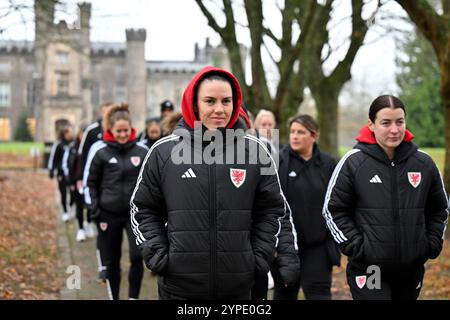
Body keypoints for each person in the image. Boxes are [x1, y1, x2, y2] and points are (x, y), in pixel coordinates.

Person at [130, 66, 297, 300]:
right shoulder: (163, 151)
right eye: (210, 101)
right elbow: (143, 208)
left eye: (226, 101)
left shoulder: (256, 152)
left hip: (238, 287)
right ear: (194, 104)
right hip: (179, 288)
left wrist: (257, 257)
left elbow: (272, 209)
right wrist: (158, 255)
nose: (220, 109)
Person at [323, 95, 449, 300]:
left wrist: (430, 243)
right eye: (386, 123)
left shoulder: (423, 163)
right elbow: (333, 209)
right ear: (371, 125)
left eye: (400, 122)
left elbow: (439, 209)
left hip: (411, 268)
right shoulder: (353, 162)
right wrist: (357, 247)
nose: (394, 129)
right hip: (370, 268)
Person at [84, 103, 148, 300]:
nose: (122, 135)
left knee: (137, 257)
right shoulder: (100, 150)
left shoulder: (142, 151)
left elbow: (150, 184)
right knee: (112, 262)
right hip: (107, 213)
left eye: (126, 130)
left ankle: (133, 297)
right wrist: (93, 206)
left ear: (131, 129)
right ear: (110, 129)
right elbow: (90, 182)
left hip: (133, 215)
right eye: (118, 131)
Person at [271, 114, 339, 300]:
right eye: (292, 131)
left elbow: (336, 202)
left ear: (314, 136)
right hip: (286, 246)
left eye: (301, 132)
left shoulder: (327, 163)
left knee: (319, 294)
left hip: (317, 245)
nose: (294, 136)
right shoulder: (279, 161)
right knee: (284, 293)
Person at [78, 101, 113, 280]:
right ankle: (103, 265)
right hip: (95, 183)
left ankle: (111, 263)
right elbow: (83, 155)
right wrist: (80, 179)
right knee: (100, 223)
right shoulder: (92, 131)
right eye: (105, 112)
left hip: (111, 186)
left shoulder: (118, 130)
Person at [63, 126, 95, 242]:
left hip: (90, 181)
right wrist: (70, 181)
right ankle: (80, 229)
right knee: (79, 205)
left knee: (91, 204)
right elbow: (67, 164)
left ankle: (90, 223)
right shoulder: (73, 148)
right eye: (82, 134)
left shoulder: (93, 148)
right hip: (78, 182)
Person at [48, 124, 74, 222]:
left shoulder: (73, 144)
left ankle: (71, 207)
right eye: (70, 132)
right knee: (63, 193)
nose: (71, 134)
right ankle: (65, 212)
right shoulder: (59, 144)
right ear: (65, 133)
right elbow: (53, 158)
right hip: (61, 173)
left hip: (71, 174)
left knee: (73, 193)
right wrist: (51, 170)